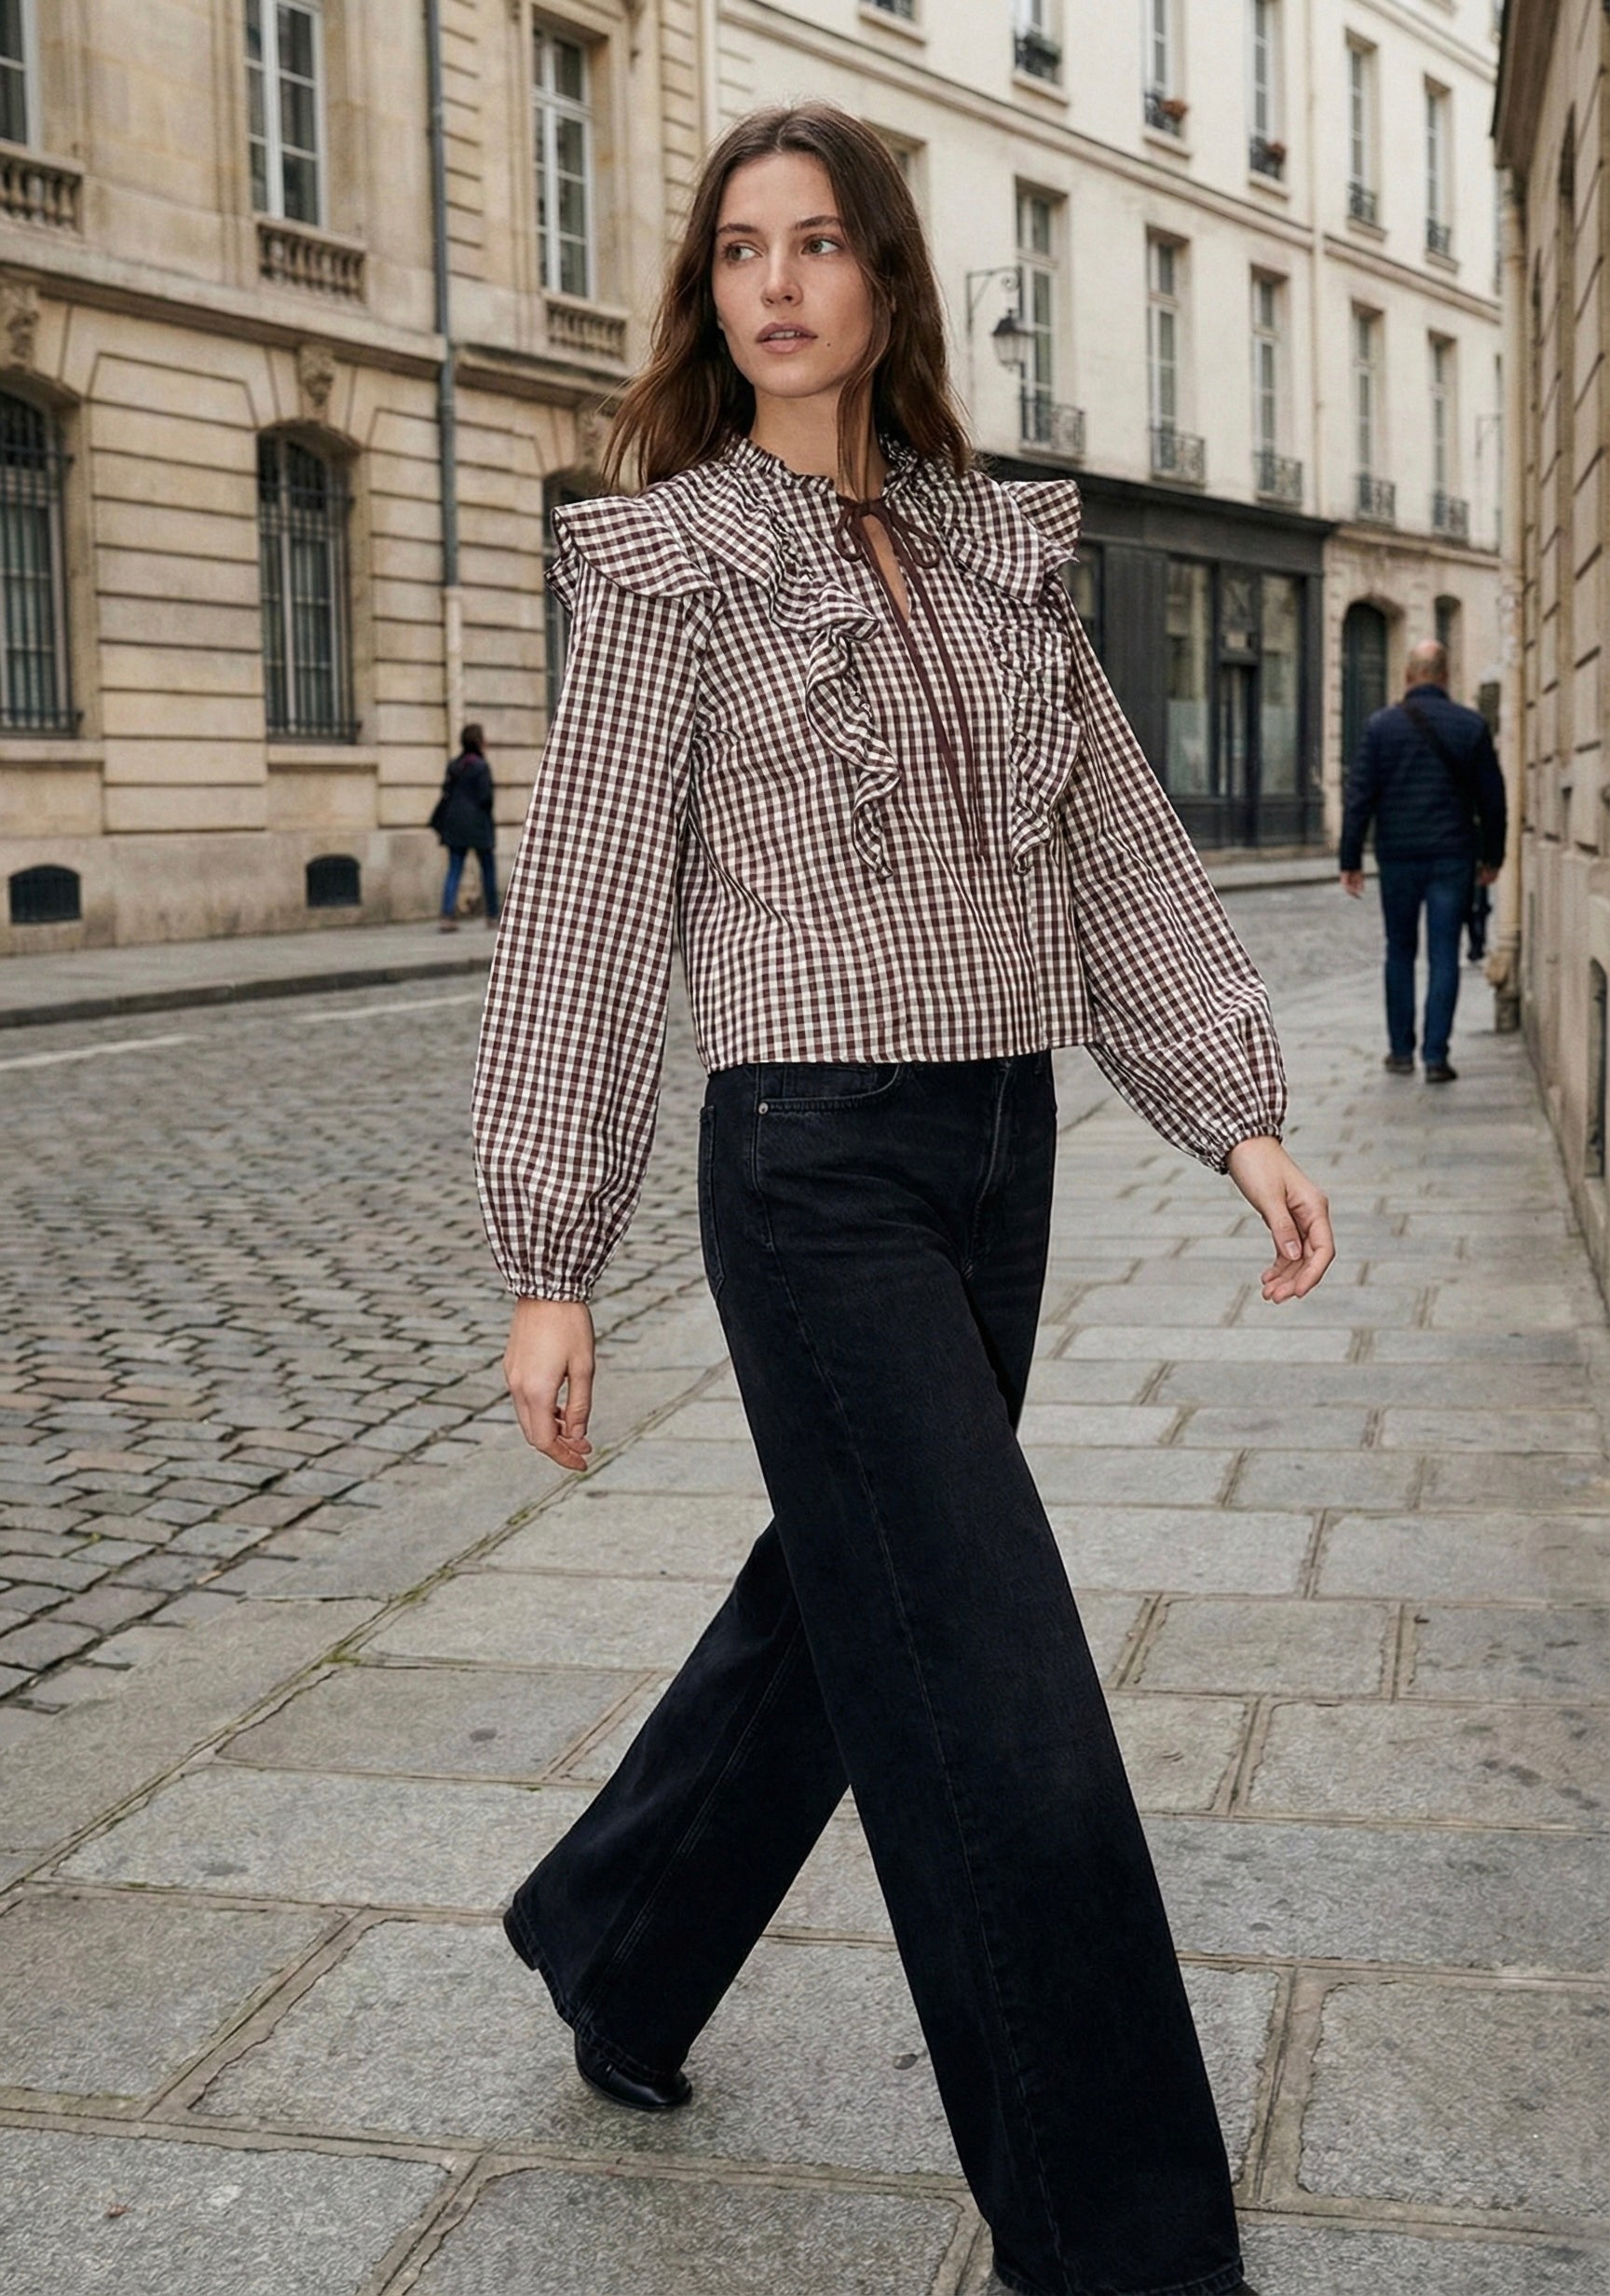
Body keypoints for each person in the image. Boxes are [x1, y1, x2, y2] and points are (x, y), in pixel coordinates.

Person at [471, 102, 1334, 2296]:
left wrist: (1227, 1107)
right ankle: (1125, 2247)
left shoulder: (990, 547)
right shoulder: (668, 564)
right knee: (987, 1685)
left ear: (880, 284)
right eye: (738, 246)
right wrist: (548, 1252)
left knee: (839, 1600)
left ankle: (617, 1938)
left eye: (817, 242)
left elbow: (1113, 848)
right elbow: (576, 907)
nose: (774, 280)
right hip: (807, 1172)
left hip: (992, 1153)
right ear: (712, 290)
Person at [1339, 639, 1506, 1080]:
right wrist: (1493, 855)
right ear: (1445, 676)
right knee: (1445, 953)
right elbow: (1494, 799)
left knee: (1400, 949)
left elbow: (1360, 796)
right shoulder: (1470, 726)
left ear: (1408, 676)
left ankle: (1399, 1051)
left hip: (1398, 856)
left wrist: (1350, 857)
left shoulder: (1381, 727)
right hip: (1452, 856)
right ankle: (1435, 1057)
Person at [431, 723, 499, 931]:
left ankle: (446, 916)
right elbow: (486, 797)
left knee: (454, 869)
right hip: (477, 824)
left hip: (454, 823)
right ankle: (493, 916)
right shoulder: (481, 767)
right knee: (487, 869)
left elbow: (446, 790)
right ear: (479, 742)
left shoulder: (454, 765)